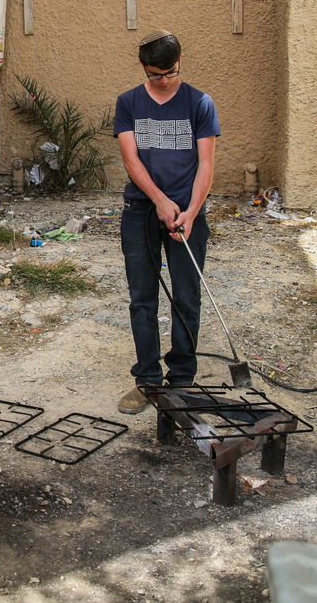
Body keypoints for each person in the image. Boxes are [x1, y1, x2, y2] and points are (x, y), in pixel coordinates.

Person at [113, 30, 220, 414]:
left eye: (171, 72)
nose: (164, 81)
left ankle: (181, 381)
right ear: (145, 69)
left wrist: (190, 212)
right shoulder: (128, 102)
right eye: (156, 74)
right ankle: (147, 381)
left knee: (186, 296)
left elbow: (206, 163)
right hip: (142, 211)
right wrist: (158, 200)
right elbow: (131, 160)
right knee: (142, 297)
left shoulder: (200, 103)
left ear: (180, 62)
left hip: (189, 211)